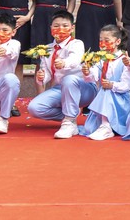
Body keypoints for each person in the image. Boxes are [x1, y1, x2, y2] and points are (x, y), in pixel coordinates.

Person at [28, 10, 96, 139]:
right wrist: (42, 77)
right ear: (51, 28)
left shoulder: (77, 44)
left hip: (84, 88)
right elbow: (47, 72)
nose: (60, 29)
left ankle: (69, 122)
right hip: (60, 89)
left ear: (72, 28)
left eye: (65, 26)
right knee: (34, 108)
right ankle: (70, 115)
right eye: (56, 26)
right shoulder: (46, 49)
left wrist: (64, 63)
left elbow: (75, 60)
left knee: (69, 79)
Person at [79, 25, 130, 140]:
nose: (103, 43)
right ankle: (104, 124)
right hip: (103, 99)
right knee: (104, 90)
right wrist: (87, 72)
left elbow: (126, 85)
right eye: (100, 40)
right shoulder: (100, 58)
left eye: (107, 40)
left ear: (117, 41)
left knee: (107, 89)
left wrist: (112, 85)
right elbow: (92, 77)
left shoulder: (124, 60)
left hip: (120, 101)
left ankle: (106, 127)